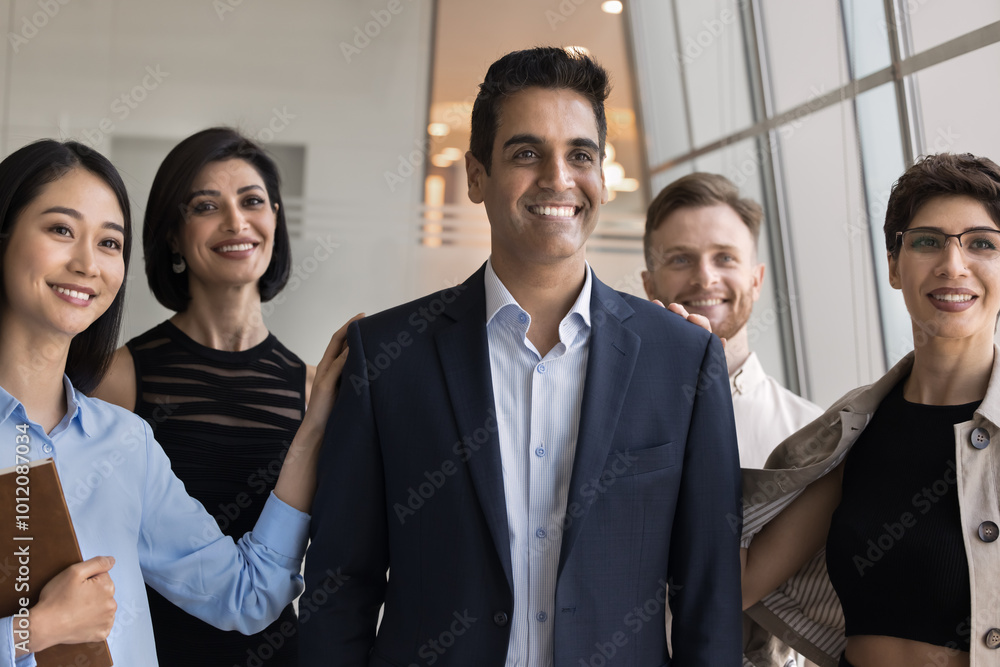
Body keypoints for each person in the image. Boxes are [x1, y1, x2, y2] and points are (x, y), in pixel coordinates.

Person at [299, 46, 742, 666]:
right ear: (476, 176)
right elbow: (340, 588)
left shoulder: (685, 360)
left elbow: (709, 599)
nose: (558, 179)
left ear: (603, 178)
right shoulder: (388, 358)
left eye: (580, 155)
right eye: (526, 153)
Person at [0, 139, 350, 667]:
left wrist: (317, 422)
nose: (86, 263)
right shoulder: (128, 380)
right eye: (61, 230)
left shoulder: (126, 443)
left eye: (109, 243)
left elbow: (245, 596)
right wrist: (36, 629)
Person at [740, 152, 1000, 667]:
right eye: (927, 241)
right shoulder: (857, 431)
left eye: (982, 244)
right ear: (893, 267)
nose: (953, 265)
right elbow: (738, 582)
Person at [92, 127, 337, 666]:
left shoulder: (316, 388)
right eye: (207, 205)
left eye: (252, 201)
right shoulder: (118, 377)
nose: (236, 221)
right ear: (174, 236)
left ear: (275, 218)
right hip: (155, 651)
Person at [642, 172, 822, 469]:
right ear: (649, 286)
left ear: (756, 280)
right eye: (680, 259)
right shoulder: (610, 419)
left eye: (725, 258)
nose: (705, 278)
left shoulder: (808, 435)